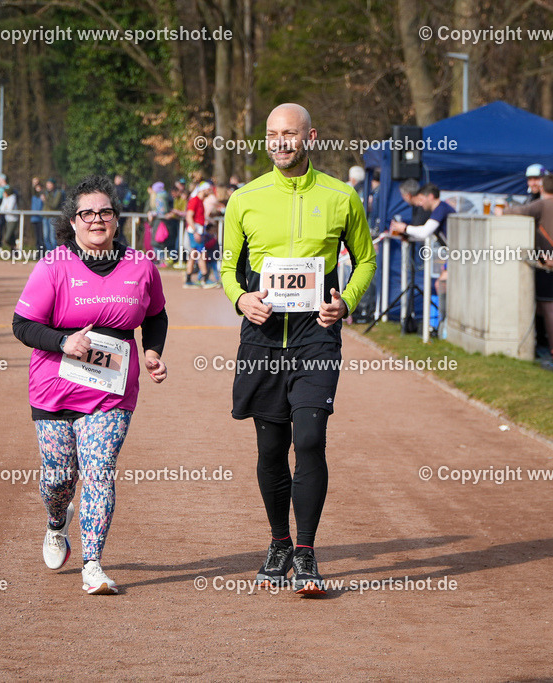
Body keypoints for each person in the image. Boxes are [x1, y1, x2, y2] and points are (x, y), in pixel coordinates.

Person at [221, 103, 376, 595]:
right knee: (271, 447)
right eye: (272, 134)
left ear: (311, 135)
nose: (280, 142)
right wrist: (242, 298)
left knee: (309, 439)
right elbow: (227, 269)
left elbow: (366, 259)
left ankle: (306, 552)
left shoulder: (341, 196)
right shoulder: (244, 199)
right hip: (263, 339)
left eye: (289, 134)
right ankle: (279, 542)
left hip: (315, 338)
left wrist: (345, 302)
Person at [11, 174, 168, 595]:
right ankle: (56, 521)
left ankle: (93, 563)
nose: (97, 219)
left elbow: (156, 315)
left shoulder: (140, 266)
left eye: (105, 212)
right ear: (74, 222)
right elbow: (22, 325)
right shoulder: (53, 266)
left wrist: (152, 351)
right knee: (59, 477)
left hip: (111, 389)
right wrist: (64, 341)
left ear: (116, 220)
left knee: (99, 470)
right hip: (55, 384)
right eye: (87, 213)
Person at [501, 174, 553, 365]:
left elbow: (521, 211)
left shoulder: (543, 204)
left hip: (546, 263)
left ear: (542, 188)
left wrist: (503, 210)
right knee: (550, 306)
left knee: (548, 307)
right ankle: (551, 346)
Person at [389, 183, 454, 243]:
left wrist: (405, 228)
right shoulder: (441, 208)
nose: (420, 203)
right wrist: (406, 234)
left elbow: (424, 232)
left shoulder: (441, 209)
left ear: (430, 196)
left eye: (421, 199)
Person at [184, 181, 213, 287]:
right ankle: (205, 278)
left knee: (194, 254)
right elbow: (189, 216)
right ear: (203, 189)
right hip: (195, 232)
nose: (210, 191)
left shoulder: (200, 201)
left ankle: (188, 278)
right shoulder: (195, 200)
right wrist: (195, 231)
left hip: (198, 230)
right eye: (208, 189)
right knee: (201, 254)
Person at [43, 179, 63, 252]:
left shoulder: (58, 193)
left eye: (49, 184)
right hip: (45, 216)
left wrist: (45, 200)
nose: (48, 186)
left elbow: (54, 205)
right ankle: (49, 253)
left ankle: (54, 254)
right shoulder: (46, 193)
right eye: (47, 184)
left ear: (53, 185)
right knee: (45, 237)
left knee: (52, 237)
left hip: (53, 217)